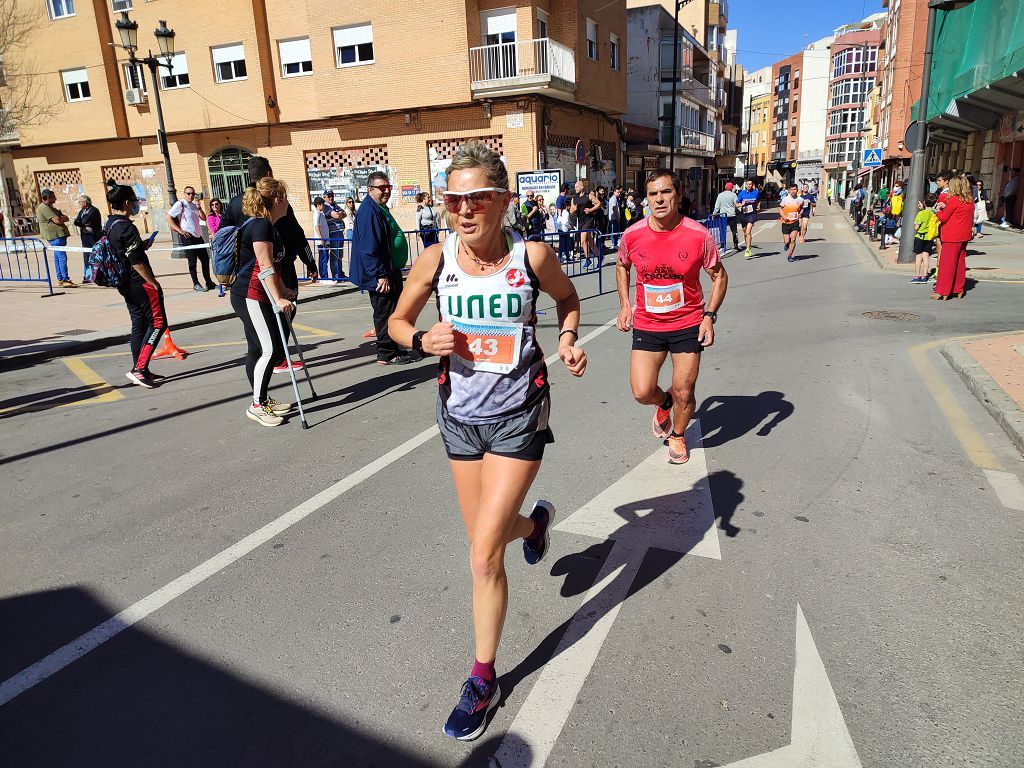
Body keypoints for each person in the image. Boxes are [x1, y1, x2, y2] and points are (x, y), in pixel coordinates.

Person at [387, 140, 587, 742]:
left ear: (503, 200)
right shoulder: (434, 259)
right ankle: (537, 527)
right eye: (454, 200)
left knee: (480, 555)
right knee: (490, 536)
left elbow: (568, 300)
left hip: (517, 414)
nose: (464, 210)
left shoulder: (531, 257)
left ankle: (483, 678)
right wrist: (420, 341)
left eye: (477, 198)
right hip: (459, 416)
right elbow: (396, 323)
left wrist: (570, 337)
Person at [616, 168, 727, 465]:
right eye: (653, 194)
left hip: (687, 323)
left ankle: (677, 434)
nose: (659, 199)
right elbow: (622, 265)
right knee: (641, 391)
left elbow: (718, 276)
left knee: (684, 389)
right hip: (648, 324)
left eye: (666, 192)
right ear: (646, 199)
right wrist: (625, 304)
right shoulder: (633, 235)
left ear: (678, 195)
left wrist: (708, 316)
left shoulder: (697, 235)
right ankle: (663, 402)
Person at [220, 155, 317, 373]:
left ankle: (267, 359)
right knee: (283, 311)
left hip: (246, 275)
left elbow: (221, 234)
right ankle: (276, 359)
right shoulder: (274, 206)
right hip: (272, 269)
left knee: (257, 328)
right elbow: (296, 235)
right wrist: (309, 262)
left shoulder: (236, 202)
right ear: (268, 175)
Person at [229, 177, 297, 426]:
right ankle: (257, 404)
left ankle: (263, 398)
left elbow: (272, 266)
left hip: (256, 294)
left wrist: (282, 289)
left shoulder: (266, 225)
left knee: (259, 350)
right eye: (286, 198)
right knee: (270, 350)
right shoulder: (261, 226)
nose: (288, 203)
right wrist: (277, 298)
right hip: (250, 296)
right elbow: (265, 266)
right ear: (278, 200)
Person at [104, 181, 166, 389]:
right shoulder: (127, 227)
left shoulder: (110, 224)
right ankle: (139, 369)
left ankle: (141, 367)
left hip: (124, 282)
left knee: (139, 324)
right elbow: (137, 262)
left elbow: (125, 251)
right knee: (158, 324)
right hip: (139, 282)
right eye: (133, 201)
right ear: (126, 203)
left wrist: (141, 246)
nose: (136, 205)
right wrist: (153, 282)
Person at [351, 170, 413, 365]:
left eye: (389, 187)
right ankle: (386, 353)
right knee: (384, 312)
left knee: (394, 310)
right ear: (370, 190)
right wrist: (380, 275)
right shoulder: (369, 211)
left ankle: (394, 346)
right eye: (382, 188)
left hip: (387, 269)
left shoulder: (377, 207)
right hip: (379, 273)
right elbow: (368, 247)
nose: (386, 191)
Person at [933, 175, 974, 300]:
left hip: (952, 236)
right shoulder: (969, 200)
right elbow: (958, 213)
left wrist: (937, 210)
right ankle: (958, 289)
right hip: (964, 235)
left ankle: (943, 291)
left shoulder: (954, 199)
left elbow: (944, 217)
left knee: (947, 264)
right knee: (960, 263)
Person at [167, 186, 215, 292]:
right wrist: (180, 231)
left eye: (193, 194)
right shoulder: (180, 204)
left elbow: (203, 218)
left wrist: (199, 208)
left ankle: (209, 282)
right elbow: (168, 217)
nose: (191, 196)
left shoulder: (194, 205)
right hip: (187, 237)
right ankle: (196, 284)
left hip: (198, 236)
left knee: (205, 259)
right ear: (184, 194)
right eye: (188, 193)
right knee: (192, 261)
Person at [36, 188, 74, 287]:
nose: (55, 199)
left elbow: (64, 217)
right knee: (62, 258)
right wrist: (62, 219)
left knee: (57, 257)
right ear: (48, 197)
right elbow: (58, 220)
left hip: (57, 236)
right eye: (53, 197)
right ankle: (65, 279)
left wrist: (63, 217)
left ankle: (60, 278)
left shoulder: (50, 207)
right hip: (55, 236)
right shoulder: (44, 208)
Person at [570, 180, 600, 267]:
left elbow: (598, 203)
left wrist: (591, 210)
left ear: (582, 187)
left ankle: (588, 259)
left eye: (576, 187)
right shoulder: (574, 198)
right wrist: (574, 210)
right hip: (581, 221)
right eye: (574, 187)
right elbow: (571, 211)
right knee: (590, 241)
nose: (575, 188)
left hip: (589, 220)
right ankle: (599, 256)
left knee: (583, 240)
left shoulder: (589, 195)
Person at [72, 194, 102, 282]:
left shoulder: (93, 210)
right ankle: (87, 275)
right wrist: (82, 224)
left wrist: (81, 223)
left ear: (85, 202)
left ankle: (99, 274)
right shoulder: (82, 211)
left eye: (80, 202)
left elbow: (85, 220)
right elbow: (76, 222)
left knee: (96, 255)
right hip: (85, 236)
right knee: (86, 256)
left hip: (94, 236)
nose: (79, 204)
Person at [911, 193, 939, 284]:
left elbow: (916, 227)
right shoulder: (934, 213)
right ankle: (924, 275)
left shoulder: (921, 213)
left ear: (924, 202)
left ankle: (917, 275)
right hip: (929, 237)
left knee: (918, 256)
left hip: (920, 237)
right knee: (926, 256)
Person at [320, 189, 347, 281]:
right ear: (324, 197)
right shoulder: (326, 206)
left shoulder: (335, 204)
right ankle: (335, 276)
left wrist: (339, 214)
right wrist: (339, 214)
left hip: (340, 232)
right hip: (333, 234)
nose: (331, 197)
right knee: (335, 256)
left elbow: (345, 213)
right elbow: (337, 216)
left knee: (340, 255)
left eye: (332, 195)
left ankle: (339, 274)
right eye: (329, 196)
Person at [778, 183, 806, 262]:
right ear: (789, 190)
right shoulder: (785, 199)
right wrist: (784, 217)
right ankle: (787, 244)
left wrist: (800, 214)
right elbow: (780, 210)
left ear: (797, 190)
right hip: (785, 222)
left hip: (795, 222)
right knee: (787, 241)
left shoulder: (800, 200)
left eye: (795, 189)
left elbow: (802, 208)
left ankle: (790, 256)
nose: (793, 191)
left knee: (793, 239)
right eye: (791, 189)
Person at [712, 181, 740, 251]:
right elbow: (737, 204)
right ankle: (736, 244)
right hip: (732, 215)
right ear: (732, 188)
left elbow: (717, 206)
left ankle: (722, 245)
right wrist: (741, 210)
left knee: (722, 230)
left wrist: (714, 214)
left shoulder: (720, 195)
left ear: (725, 187)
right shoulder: (733, 195)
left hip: (723, 216)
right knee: (734, 230)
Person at [735, 179, 760, 258]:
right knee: (745, 233)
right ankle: (748, 244)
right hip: (743, 215)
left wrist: (759, 206)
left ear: (752, 185)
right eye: (747, 184)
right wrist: (741, 204)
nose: (748, 186)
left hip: (752, 215)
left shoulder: (756, 192)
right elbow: (736, 204)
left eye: (750, 184)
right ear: (745, 185)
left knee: (748, 231)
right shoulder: (741, 193)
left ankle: (748, 249)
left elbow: (759, 200)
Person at [312, 196, 333, 283]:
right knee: (323, 258)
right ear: (318, 205)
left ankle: (324, 276)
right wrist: (322, 239)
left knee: (324, 257)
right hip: (322, 241)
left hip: (324, 239)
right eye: (323, 204)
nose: (324, 206)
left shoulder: (321, 213)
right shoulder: (317, 214)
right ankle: (324, 277)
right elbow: (317, 227)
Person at [607, 184, 622, 249]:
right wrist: (617, 217)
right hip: (614, 218)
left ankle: (615, 242)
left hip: (615, 217)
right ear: (614, 192)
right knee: (614, 231)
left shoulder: (616, 199)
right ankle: (614, 243)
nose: (619, 193)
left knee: (616, 230)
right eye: (618, 192)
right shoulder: (613, 199)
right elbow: (614, 208)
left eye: (619, 192)